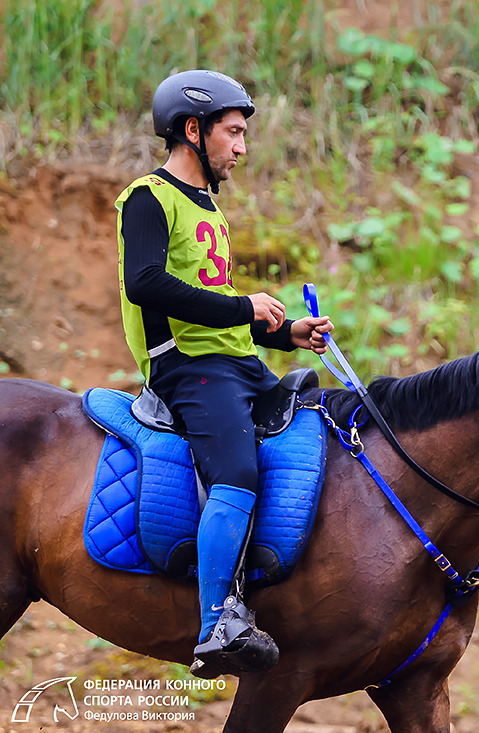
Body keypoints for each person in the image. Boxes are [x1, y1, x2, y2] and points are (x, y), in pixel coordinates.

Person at [114, 69, 333, 678]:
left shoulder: (209, 208)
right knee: (235, 471)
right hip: (187, 368)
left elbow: (216, 307)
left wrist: (284, 334)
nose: (241, 147)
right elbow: (146, 282)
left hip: (236, 363)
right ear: (193, 130)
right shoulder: (148, 198)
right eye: (233, 132)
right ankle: (217, 623)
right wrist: (244, 307)